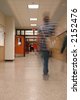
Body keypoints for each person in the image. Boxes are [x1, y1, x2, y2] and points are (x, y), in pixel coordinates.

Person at [38, 12, 55, 79]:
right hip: (49, 46)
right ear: (48, 19)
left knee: (45, 60)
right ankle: (46, 71)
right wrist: (52, 45)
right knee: (46, 60)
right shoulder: (51, 27)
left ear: (43, 19)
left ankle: (45, 71)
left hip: (43, 46)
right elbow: (53, 37)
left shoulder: (40, 27)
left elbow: (39, 38)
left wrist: (39, 46)